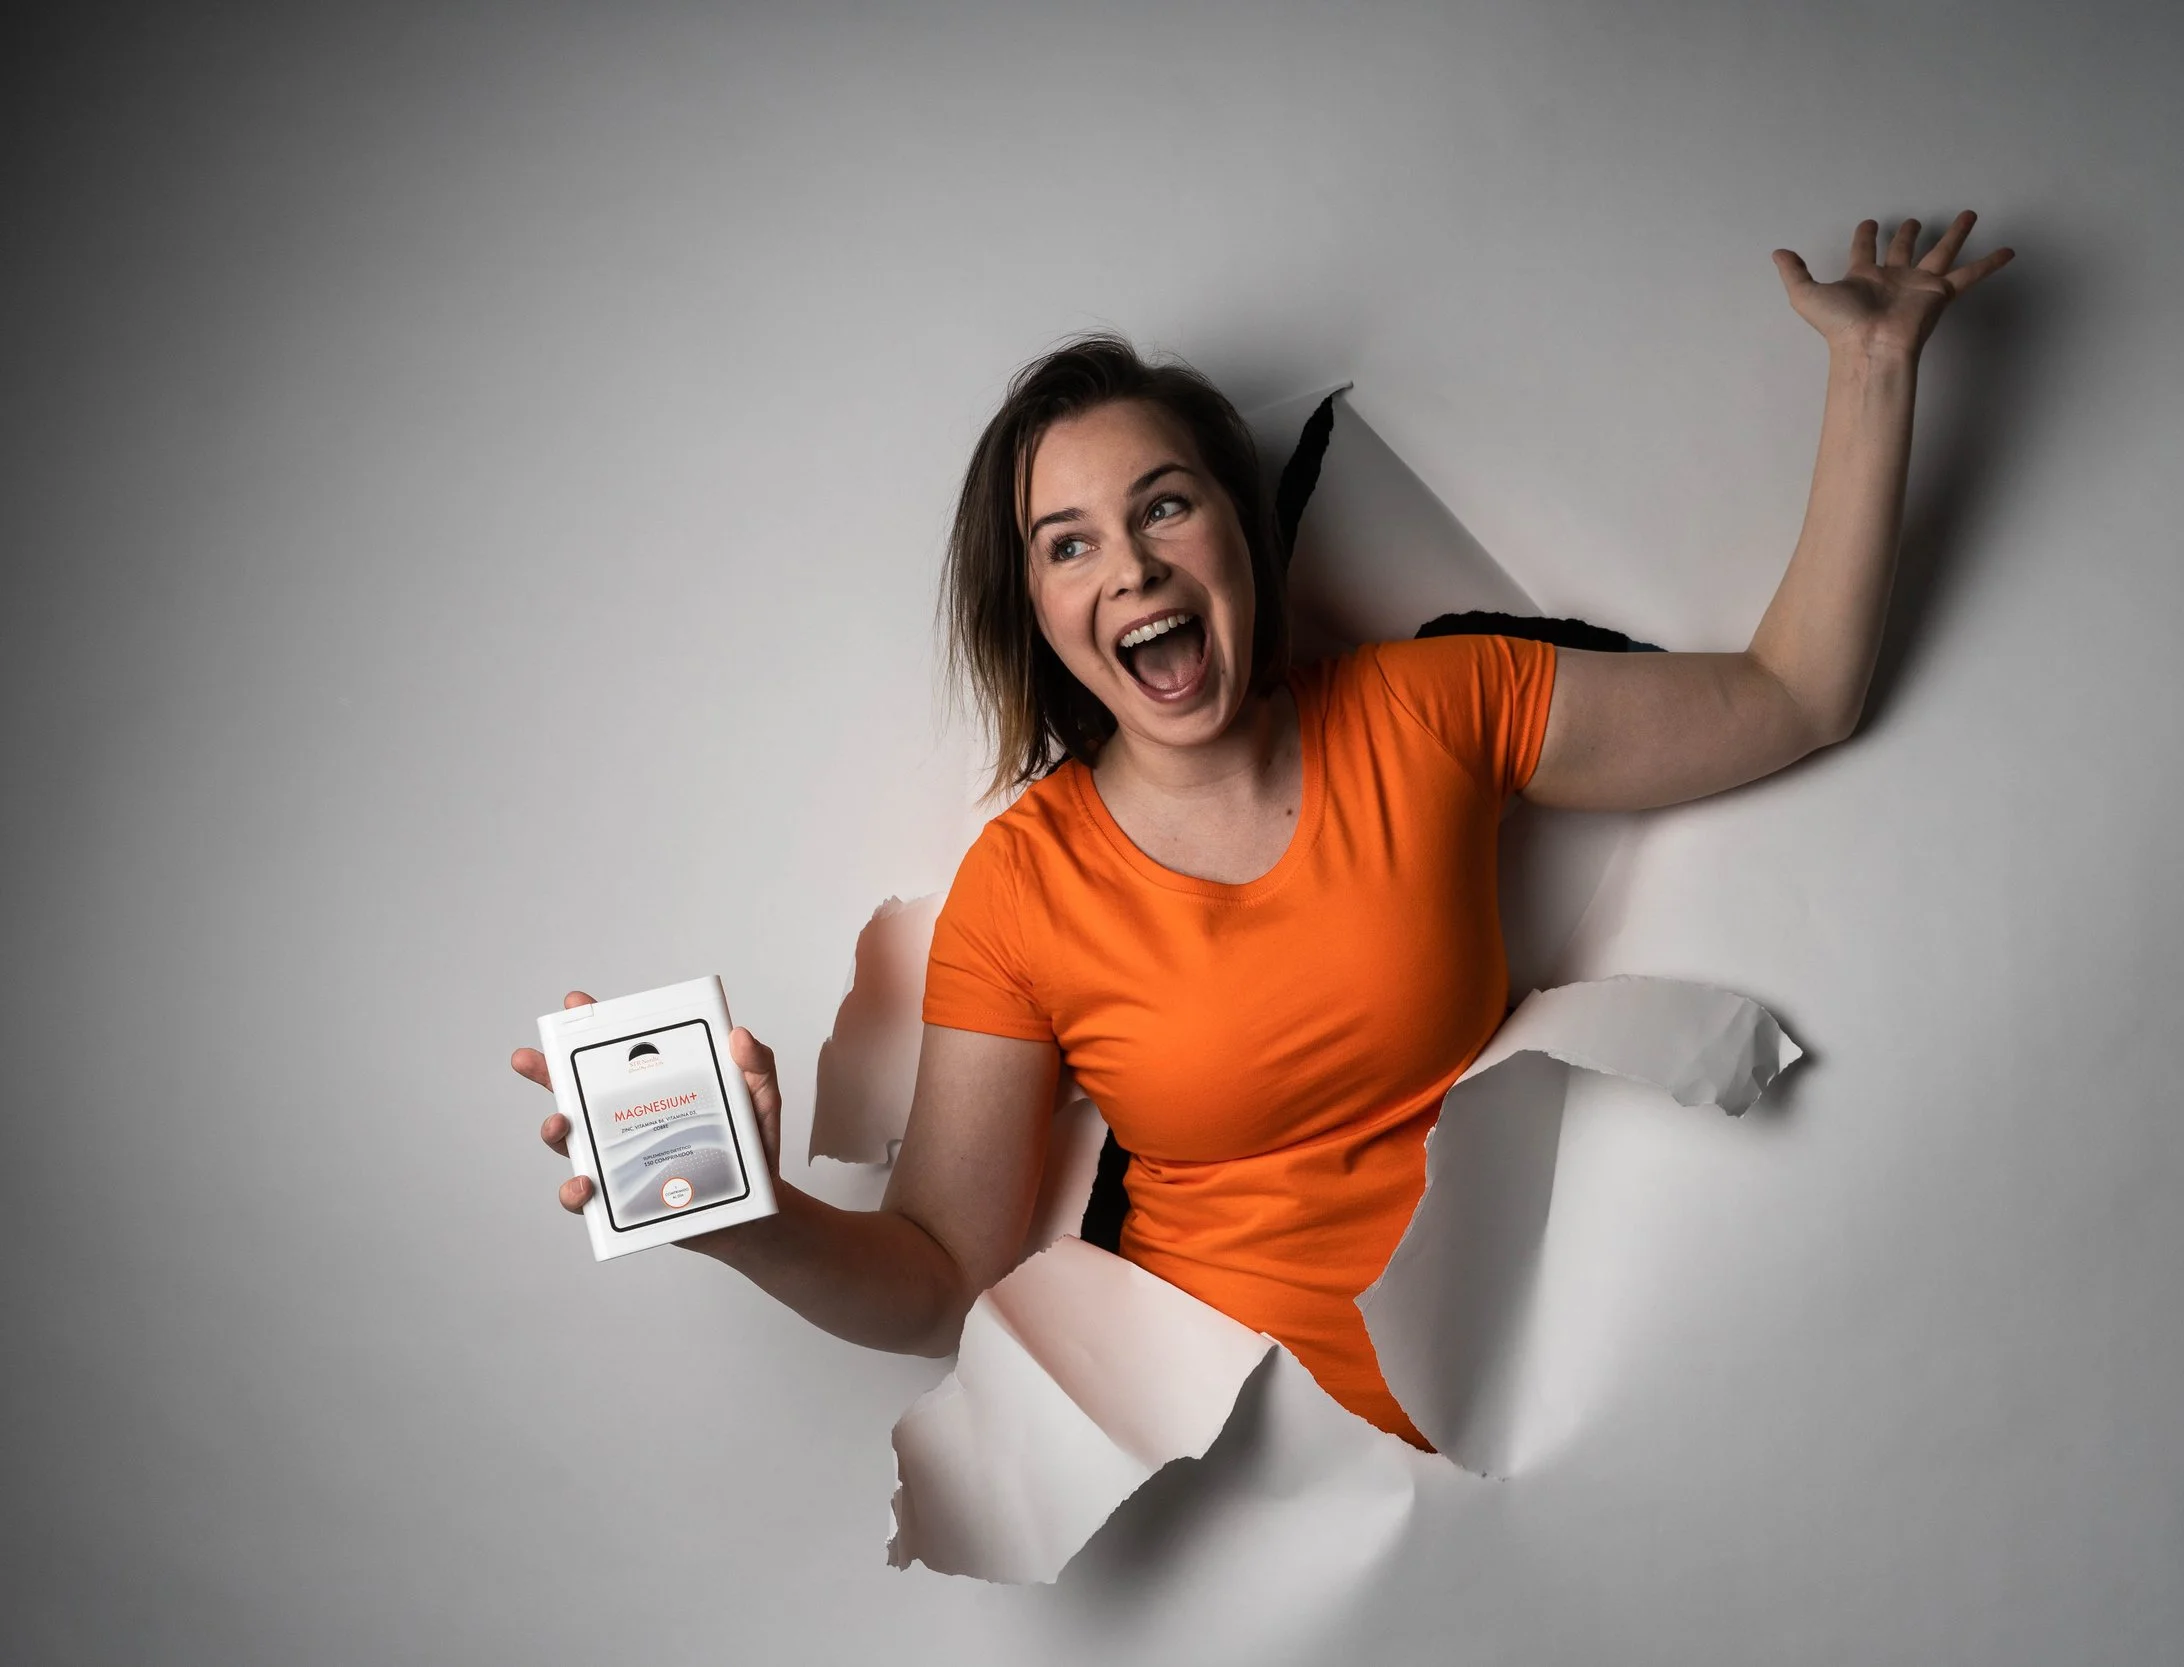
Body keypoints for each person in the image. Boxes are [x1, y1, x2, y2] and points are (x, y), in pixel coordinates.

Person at [514, 214, 2014, 1448]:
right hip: (1256, 1486)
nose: (1131, 565)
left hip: (1560, 1431)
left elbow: (1792, 696)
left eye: (1165, 506)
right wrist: (736, 1214)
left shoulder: (1437, 705)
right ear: (1037, 613)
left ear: (1240, 527)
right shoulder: (1023, 893)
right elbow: (942, 1279)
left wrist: (1874, 373)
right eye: (1069, 543)